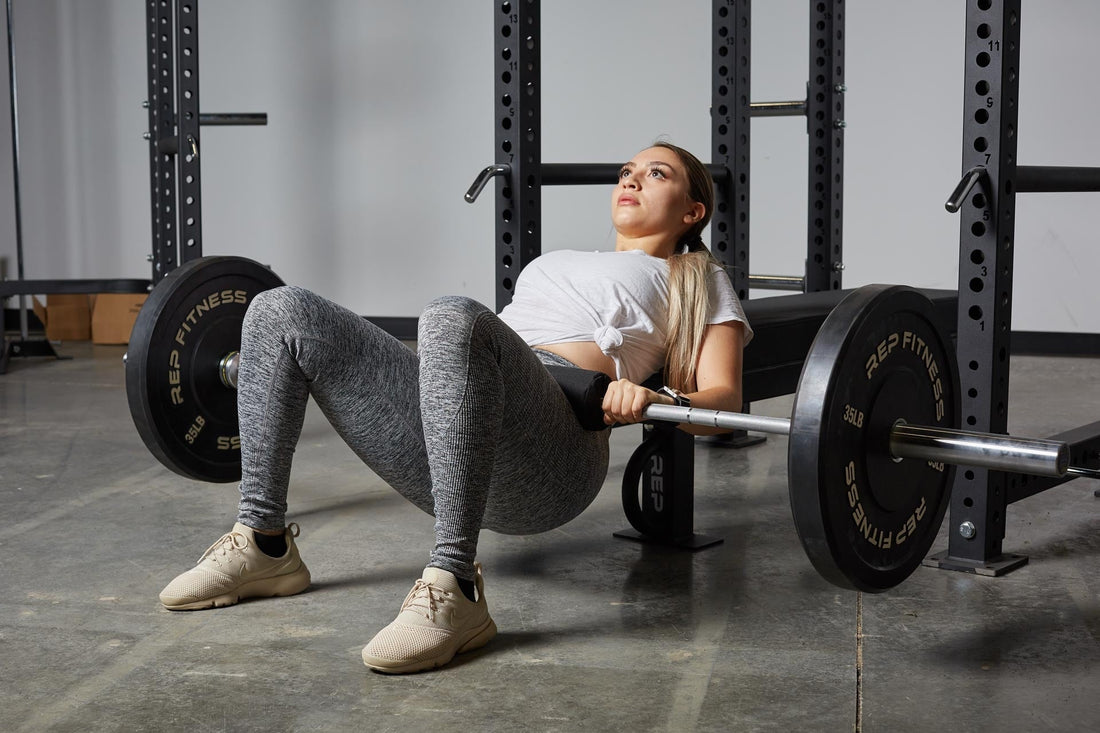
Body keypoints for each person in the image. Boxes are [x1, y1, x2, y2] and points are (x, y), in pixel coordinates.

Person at [158, 142, 753, 674]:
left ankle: (455, 585)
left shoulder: (695, 277)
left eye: (655, 173)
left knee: (451, 314)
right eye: (627, 171)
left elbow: (724, 398)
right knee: (276, 308)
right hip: (449, 434)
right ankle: (264, 544)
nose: (631, 179)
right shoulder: (558, 260)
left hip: (553, 452)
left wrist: (654, 396)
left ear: (692, 210)